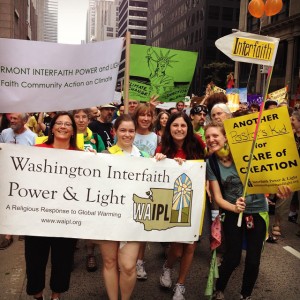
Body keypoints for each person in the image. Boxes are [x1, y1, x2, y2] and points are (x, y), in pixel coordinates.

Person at [204, 122, 291, 300]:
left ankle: (246, 295)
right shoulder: (211, 162)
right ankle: (219, 289)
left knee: (253, 260)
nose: (211, 140)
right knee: (232, 258)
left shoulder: (244, 154)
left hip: (258, 211)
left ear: (225, 137)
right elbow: (218, 198)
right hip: (232, 213)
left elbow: (267, 175)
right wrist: (234, 208)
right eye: (207, 137)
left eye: (215, 136)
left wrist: (280, 185)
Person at [95, 114, 149, 300]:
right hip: (109, 217)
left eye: (131, 130)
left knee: (127, 266)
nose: (127, 134)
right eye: (123, 130)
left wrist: (165, 162)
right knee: (110, 262)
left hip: (132, 218)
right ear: (115, 131)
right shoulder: (104, 156)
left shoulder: (145, 157)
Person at [25, 112, 78, 300]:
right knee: (34, 260)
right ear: (52, 127)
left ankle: (56, 296)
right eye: (59, 123)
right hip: (37, 217)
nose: (63, 126)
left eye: (68, 124)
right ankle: (37, 295)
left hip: (66, 219)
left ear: (73, 130)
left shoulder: (82, 157)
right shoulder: (36, 150)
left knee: (62, 260)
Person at [157, 112, 205, 300]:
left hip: (196, 201)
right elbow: (155, 176)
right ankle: (167, 267)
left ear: (188, 128)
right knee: (176, 248)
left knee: (190, 246)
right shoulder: (163, 147)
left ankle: (180, 284)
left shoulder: (198, 142)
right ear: (169, 128)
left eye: (183, 126)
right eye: (175, 125)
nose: (179, 129)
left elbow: (208, 164)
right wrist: (160, 160)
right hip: (174, 202)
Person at [73, 108, 105, 272]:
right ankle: (68, 253)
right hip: (70, 187)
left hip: (91, 186)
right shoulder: (67, 136)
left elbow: (104, 157)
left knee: (89, 221)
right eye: (77, 116)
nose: (80, 120)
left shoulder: (95, 137)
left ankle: (90, 253)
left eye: (83, 117)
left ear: (88, 119)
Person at [0, 112, 36, 250]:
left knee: (23, 202)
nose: (12, 120)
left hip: (24, 175)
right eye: (11, 118)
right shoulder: (5, 133)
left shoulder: (32, 137)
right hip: (7, 172)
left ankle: (22, 230)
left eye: (16, 118)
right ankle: (8, 234)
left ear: (25, 120)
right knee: (8, 203)